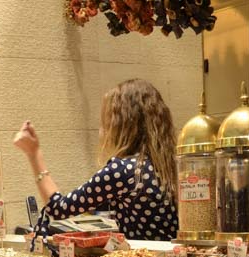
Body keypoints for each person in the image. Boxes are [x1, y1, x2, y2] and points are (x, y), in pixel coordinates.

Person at [13, 78, 179, 241]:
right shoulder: (173, 164)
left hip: (146, 256)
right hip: (176, 256)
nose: (102, 130)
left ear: (121, 124)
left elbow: (58, 208)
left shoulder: (124, 170)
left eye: (106, 121)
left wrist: (34, 153)